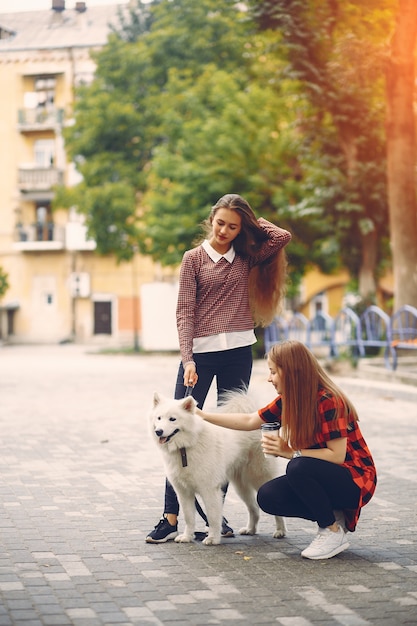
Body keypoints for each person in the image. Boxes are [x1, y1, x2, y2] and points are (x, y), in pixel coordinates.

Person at [146, 193, 292, 543]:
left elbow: (281, 236)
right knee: (173, 431)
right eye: (221, 222)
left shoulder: (247, 256)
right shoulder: (193, 259)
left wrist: (253, 224)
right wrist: (188, 359)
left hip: (239, 351)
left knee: (229, 434)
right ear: (210, 220)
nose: (225, 230)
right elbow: (184, 311)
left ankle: (217, 518)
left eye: (233, 225)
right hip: (199, 355)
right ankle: (171, 516)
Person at [195, 340, 377, 560]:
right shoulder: (290, 399)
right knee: (269, 496)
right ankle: (335, 515)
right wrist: (204, 417)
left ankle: (331, 530)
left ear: (291, 372)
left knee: (298, 467)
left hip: (356, 480)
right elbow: (250, 420)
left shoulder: (330, 401)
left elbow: (337, 456)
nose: (269, 378)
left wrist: (290, 451)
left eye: (273, 372)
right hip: (325, 473)